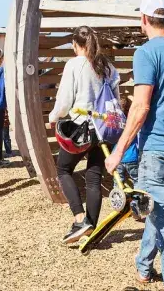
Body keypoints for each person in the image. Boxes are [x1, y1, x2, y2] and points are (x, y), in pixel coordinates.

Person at [105, 0, 164, 290]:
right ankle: (144, 266)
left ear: (144, 19)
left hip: (156, 148)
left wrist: (118, 151)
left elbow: (141, 107)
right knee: (157, 211)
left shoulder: (145, 53)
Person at [49, 26, 119, 244]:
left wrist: (53, 117)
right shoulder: (108, 66)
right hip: (105, 128)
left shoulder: (75, 64)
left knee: (63, 169)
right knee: (94, 177)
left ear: (75, 45)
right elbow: (116, 97)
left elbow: (64, 101)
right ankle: (92, 228)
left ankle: (81, 218)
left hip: (82, 127)